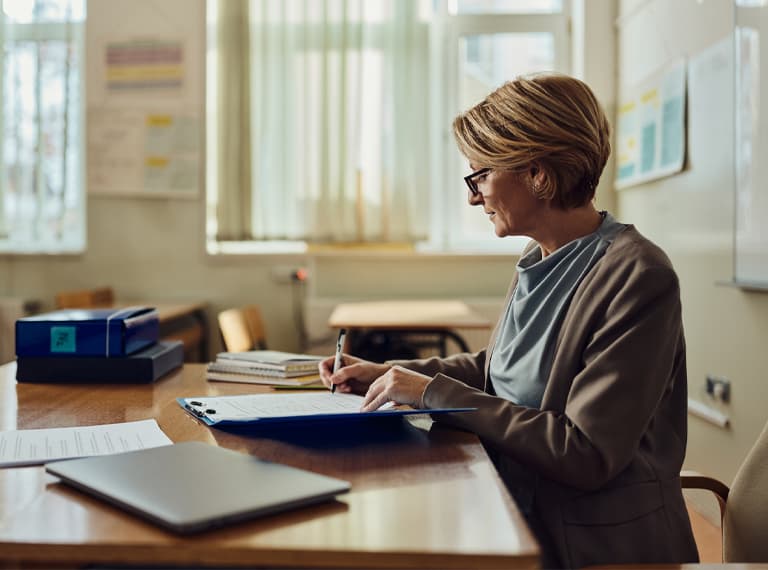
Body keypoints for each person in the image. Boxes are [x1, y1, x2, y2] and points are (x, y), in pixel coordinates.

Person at [319, 73, 699, 569]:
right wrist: (387, 371)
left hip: (594, 547)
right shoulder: (539, 255)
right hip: (512, 509)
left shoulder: (639, 275)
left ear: (537, 174)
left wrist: (431, 393)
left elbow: (583, 453)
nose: (473, 197)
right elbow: (498, 370)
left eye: (480, 176)